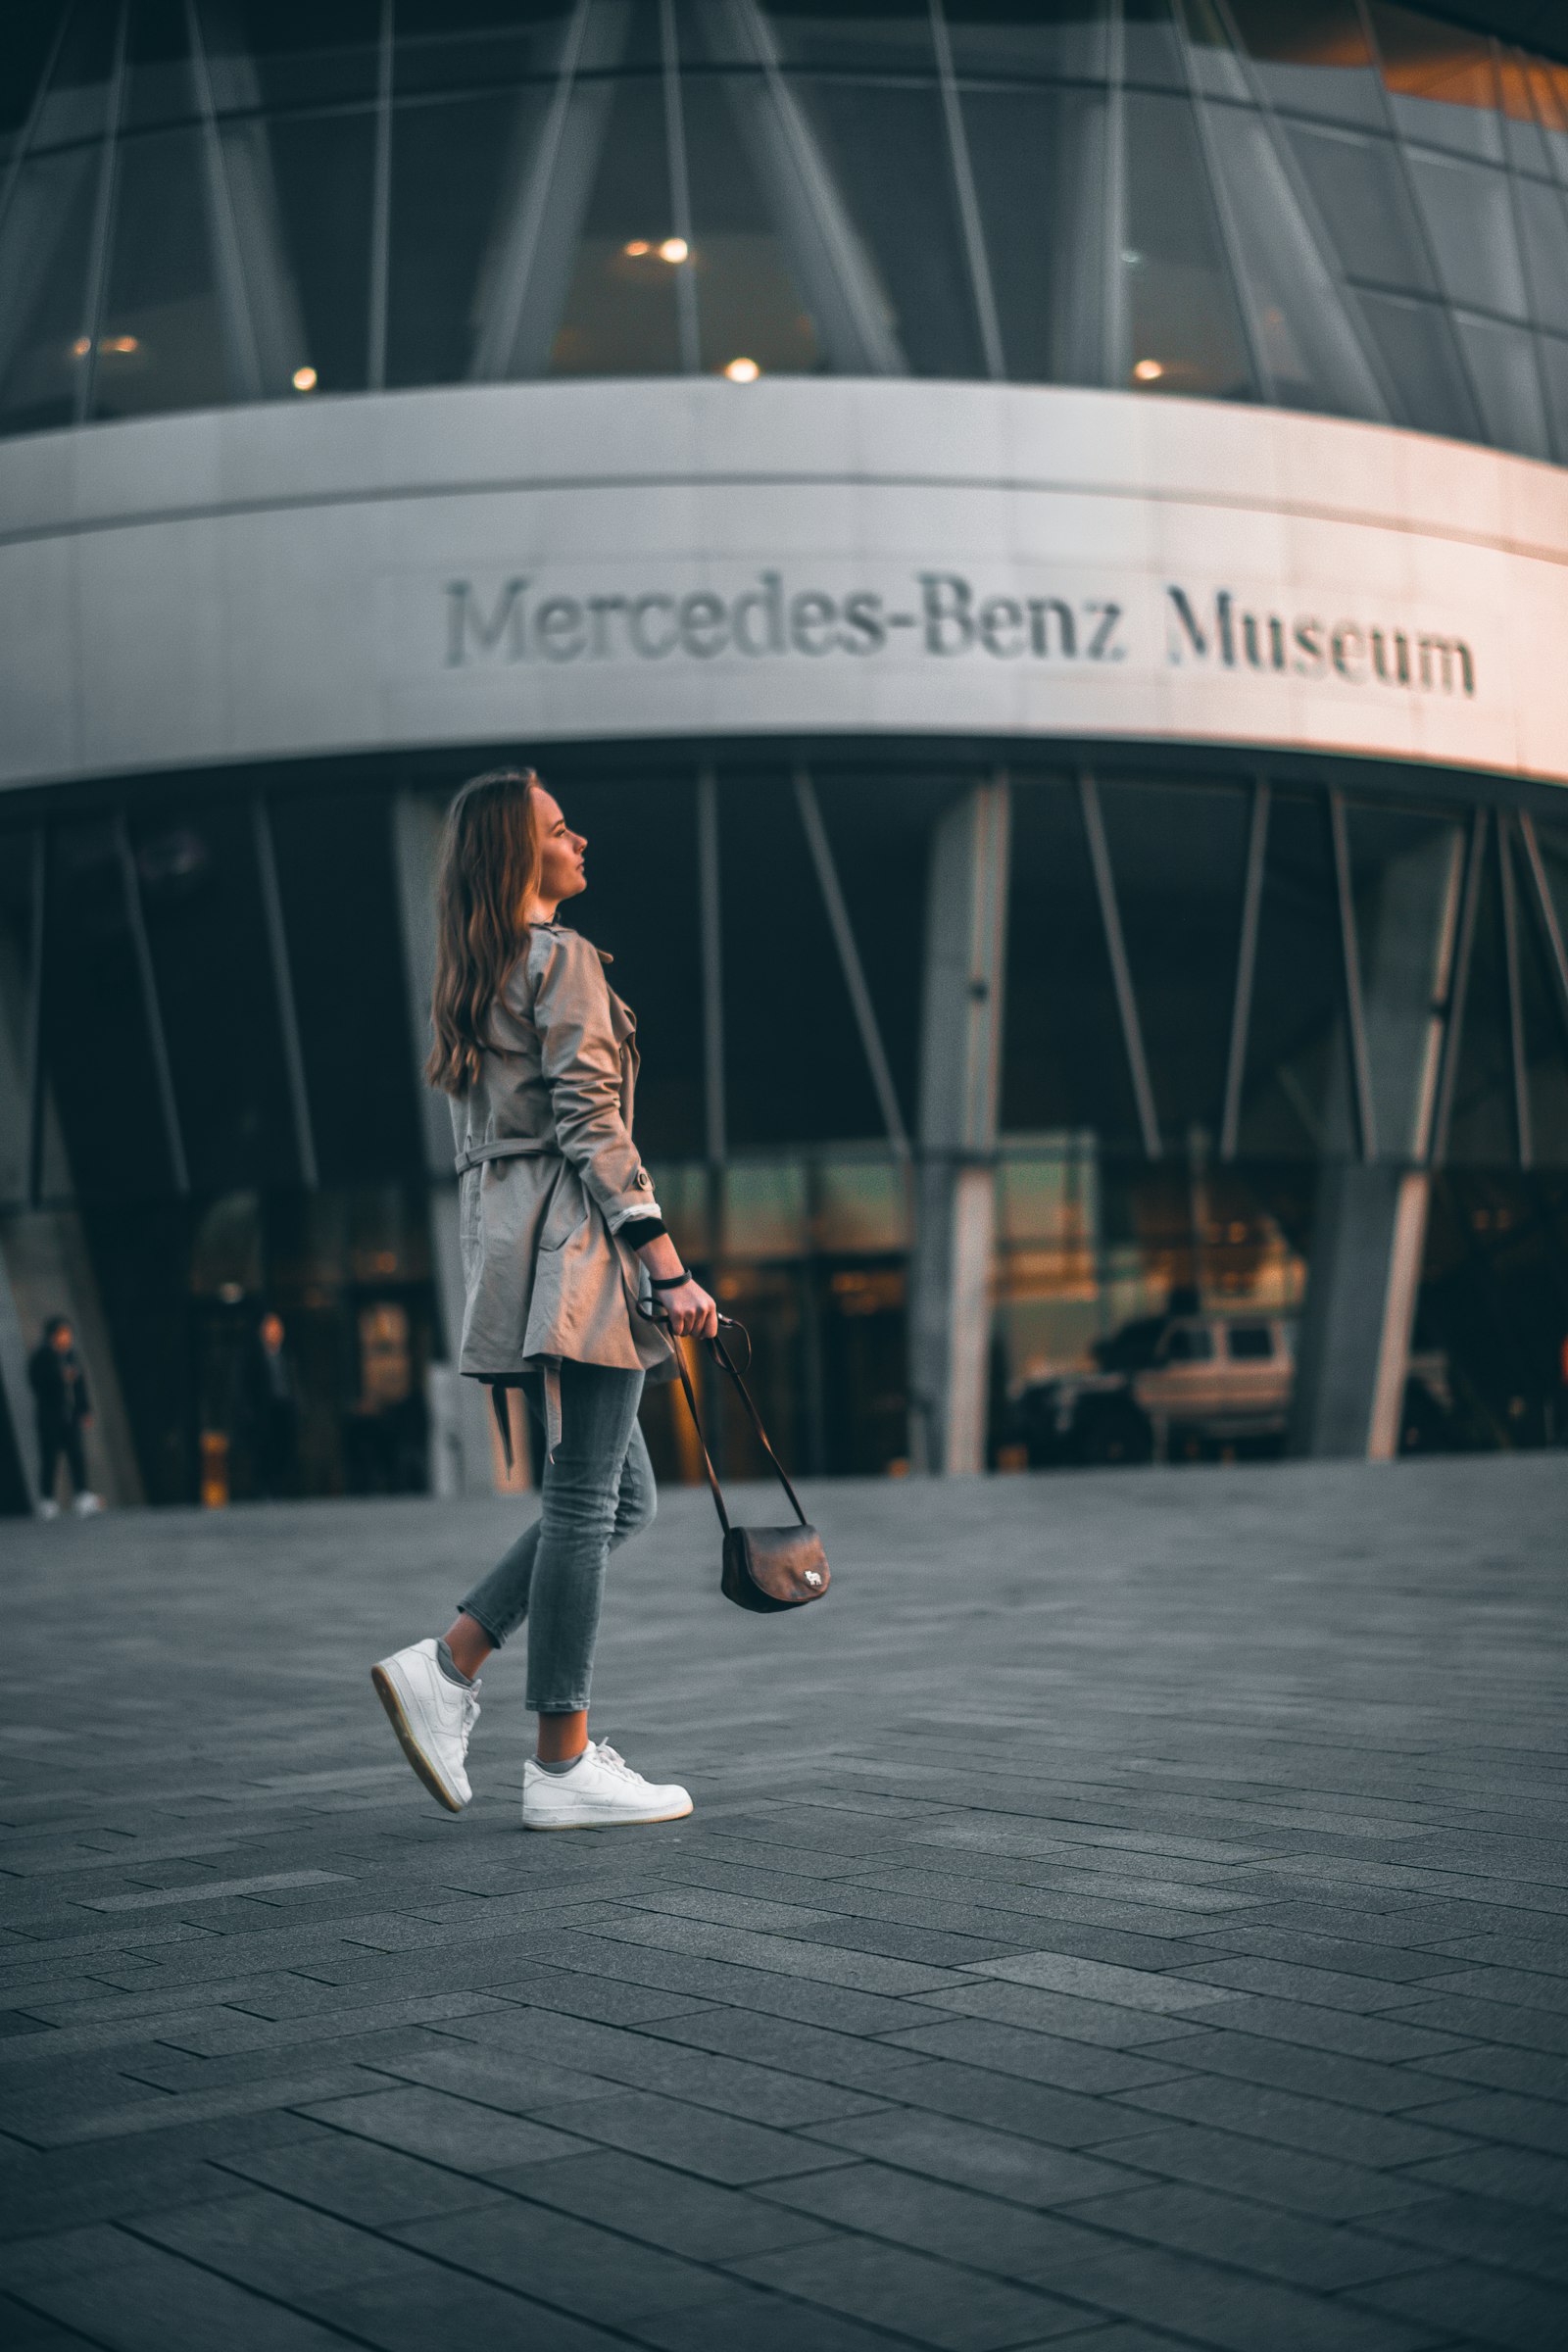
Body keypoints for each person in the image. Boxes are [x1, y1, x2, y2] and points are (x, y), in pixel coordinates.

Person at [371, 768, 716, 1832]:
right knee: (584, 1501)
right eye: (560, 830)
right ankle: (561, 1759)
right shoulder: (559, 960)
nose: (580, 841)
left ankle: (450, 1664)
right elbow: (591, 1122)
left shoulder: (479, 971)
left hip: (523, 1244)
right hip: (580, 1245)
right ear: (520, 858)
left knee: (621, 1498)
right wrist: (663, 1257)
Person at [28, 1316, 102, 1519]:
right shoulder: (42, 1356)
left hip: (70, 1416)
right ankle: (47, 1500)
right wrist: (59, 1377)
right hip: (50, 1416)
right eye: (62, 1334)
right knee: (50, 1458)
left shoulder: (71, 1355)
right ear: (53, 1335)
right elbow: (36, 1383)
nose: (66, 1338)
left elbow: (80, 1385)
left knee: (77, 1455)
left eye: (68, 1334)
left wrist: (85, 1410)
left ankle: (82, 1495)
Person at [231, 1311, 302, 1499]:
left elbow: (292, 1382)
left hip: (284, 1409)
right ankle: (265, 1489)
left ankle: (280, 1487)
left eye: (277, 1329)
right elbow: (244, 1385)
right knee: (264, 1452)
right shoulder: (253, 1356)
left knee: (283, 1450)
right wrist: (248, 1412)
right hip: (264, 1412)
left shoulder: (286, 1353)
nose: (274, 1333)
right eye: (270, 1328)